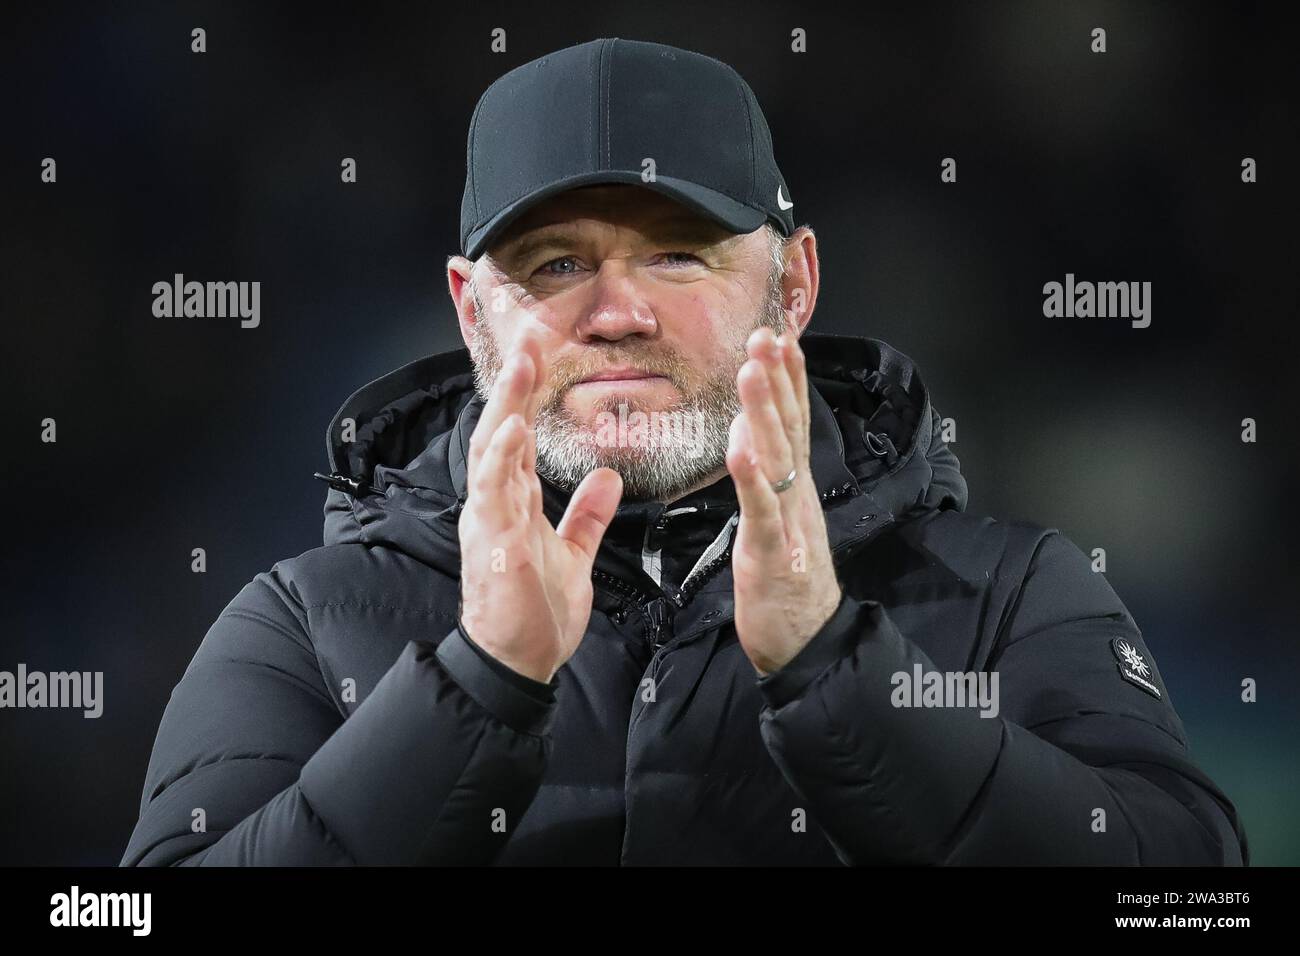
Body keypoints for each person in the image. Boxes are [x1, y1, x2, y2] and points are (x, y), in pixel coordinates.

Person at [121, 37, 1247, 866]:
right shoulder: (305, 621)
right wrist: (477, 683)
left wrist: (833, 668)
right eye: (555, 263)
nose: (615, 311)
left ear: (792, 284)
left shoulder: (1007, 589)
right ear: (472, 311)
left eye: (677, 253)